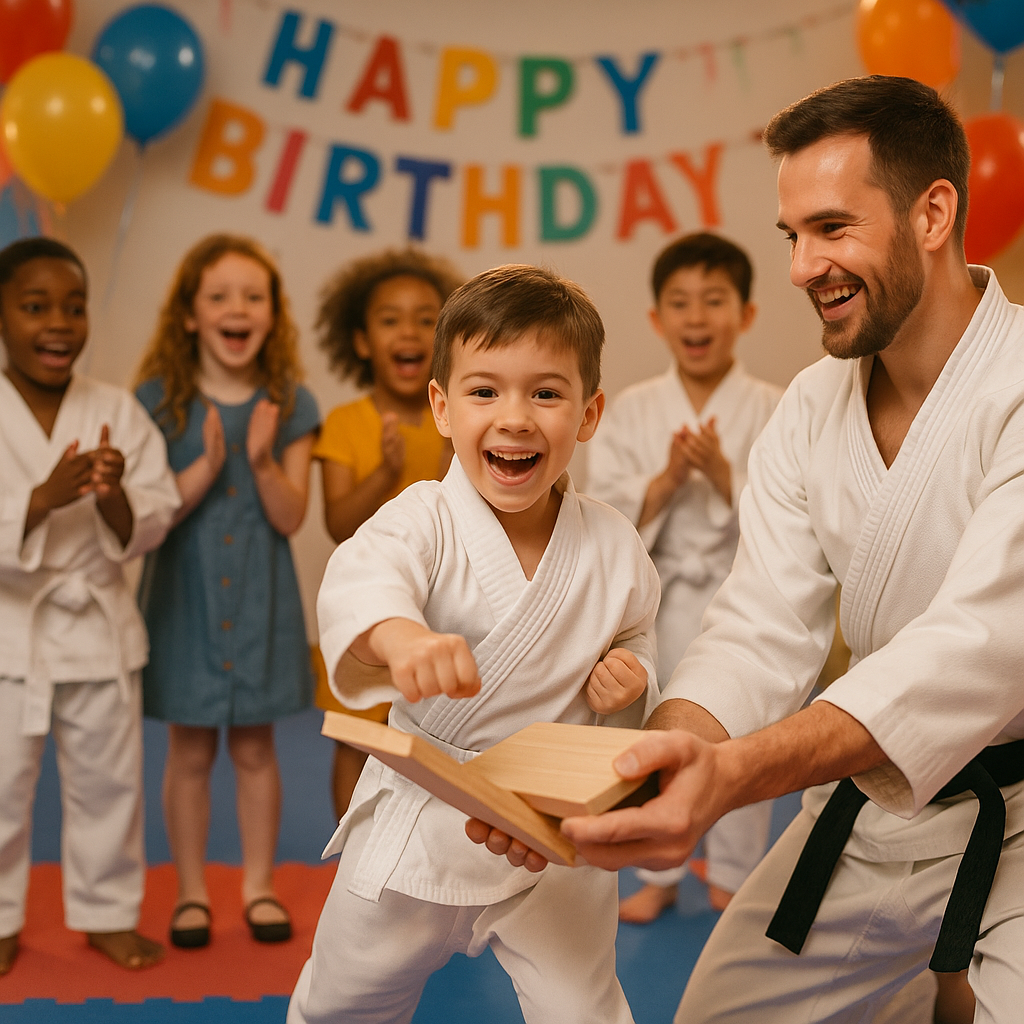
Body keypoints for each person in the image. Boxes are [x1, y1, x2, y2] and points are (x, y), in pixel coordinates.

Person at [470, 77, 1022, 1024]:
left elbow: (979, 647)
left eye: (833, 228)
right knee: (719, 1014)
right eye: (792, 236)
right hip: (871, 812)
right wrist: (659, 760)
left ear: (935, 213)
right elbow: (761, 624)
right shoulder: (811, 406)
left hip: (1019, 822)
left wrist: (733, 777)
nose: (804, 266)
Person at [288, 264, 661, 1024]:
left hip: (549, 831)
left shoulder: (614, 543)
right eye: (485, 391)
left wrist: (635, 678)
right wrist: (399, 639)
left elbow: (639, 630)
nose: (515, 418)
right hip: (424, 814)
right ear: (442, 408)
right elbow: (362, 576)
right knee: (339, 1003)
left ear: (589, 414)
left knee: (586, 1011)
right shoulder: (420, 517)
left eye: (546, 393)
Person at [587, 232, 781, 921]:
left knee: (745, 735)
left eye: (715, 301)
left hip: (746, 599)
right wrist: (666, 481)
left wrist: (726, 475)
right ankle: (657, 872)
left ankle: (733, 870)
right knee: (654, 733)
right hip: (662, 601)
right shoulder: (632, 406)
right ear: (656, 318)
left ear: (747, 314)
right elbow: (603, 506)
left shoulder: (777, 405)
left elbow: (796, 513)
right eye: (680, 302)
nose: (697, 317)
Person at [0, 237, 179, 974]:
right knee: (2, 787)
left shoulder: (116, 410)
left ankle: (106, 914)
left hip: (99, 631)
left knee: (110, 783)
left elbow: (155, 515)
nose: (59, 323)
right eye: (35, 306)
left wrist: (111, 497)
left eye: (74, 307)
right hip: (12, 633)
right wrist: (39, 500)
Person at [135, 235, 320, 950]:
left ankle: (258, 886)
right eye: (218, 297)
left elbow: (290, 513)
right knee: (187, 753)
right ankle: (189, 893)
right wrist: (206, 468)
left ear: (273, 315)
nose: (236, 310)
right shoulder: (156, 402)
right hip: (184, 601)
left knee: (254, 750)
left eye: (253, 297)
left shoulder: (291, 402)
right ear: (189, 315)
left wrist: (260, 458)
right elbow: (149, 517)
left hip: (261, 604)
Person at [312, 249, 463, 821]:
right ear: (360, 340)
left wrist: (453, 452)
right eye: (390, 318)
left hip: (441, 610)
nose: (409, 331)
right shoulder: (346, 423)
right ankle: (351, 849)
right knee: (356, 739)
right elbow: (336, 524)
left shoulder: (456, 417)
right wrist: (382, 470)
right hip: (368, 611)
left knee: (432, 741)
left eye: (426, 318)